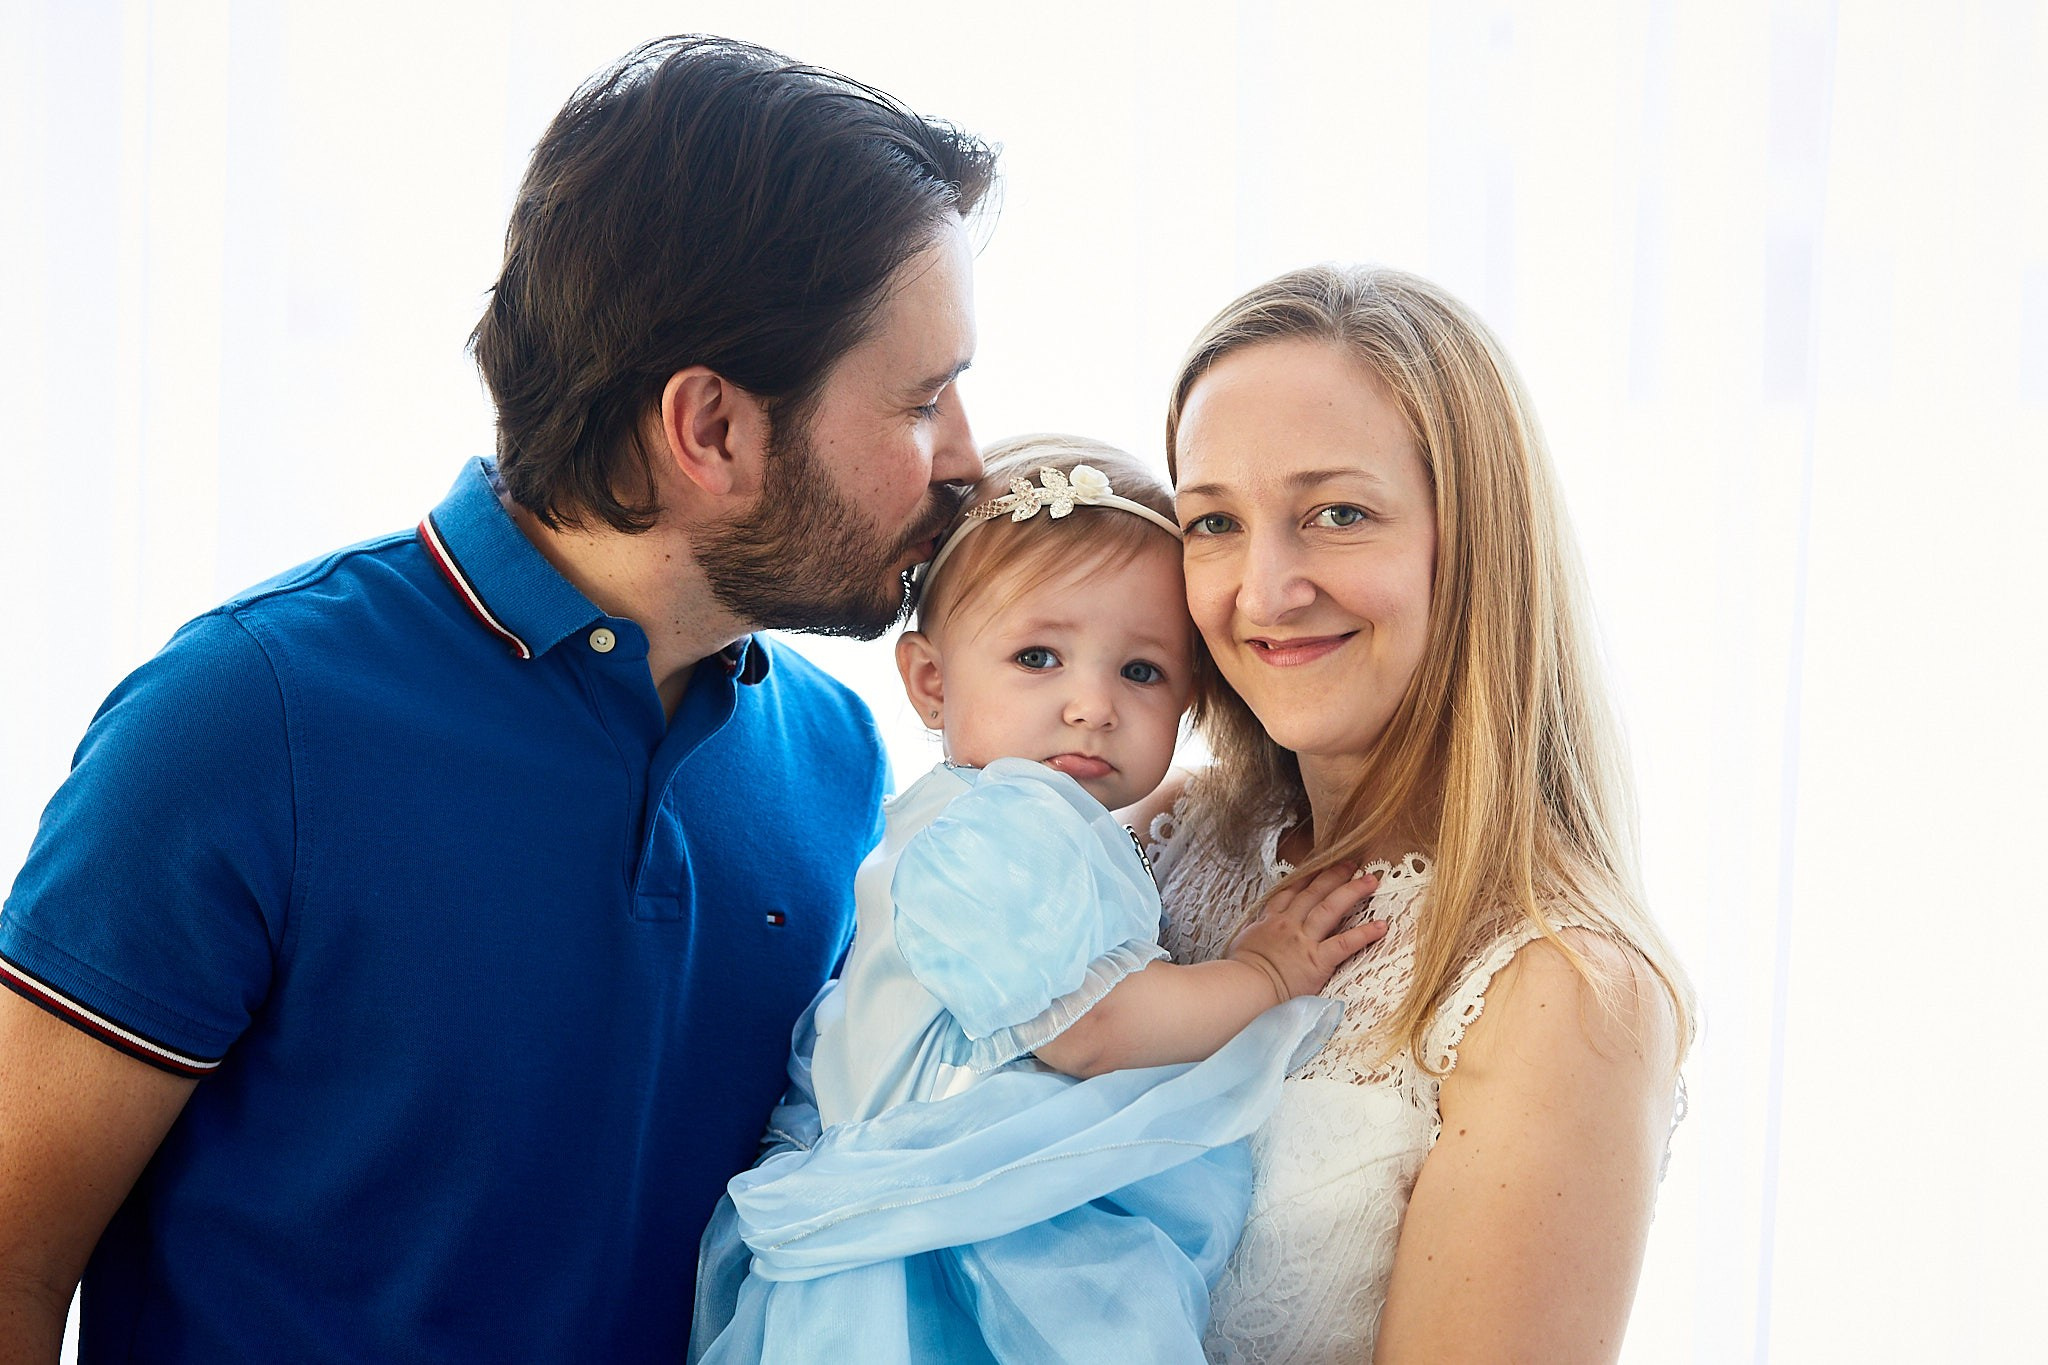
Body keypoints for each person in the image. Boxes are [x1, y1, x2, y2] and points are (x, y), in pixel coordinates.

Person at [0, 36, 995, 1363]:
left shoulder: (839, 757)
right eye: (923, 401)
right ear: (709, 427)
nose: (969, 458)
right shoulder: (245, 721)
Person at [689, 436, 1386, 1363]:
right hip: (955, 1238)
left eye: (1141, 671)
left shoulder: (1015, 815)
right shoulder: (1000, 827)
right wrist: (1263, 973)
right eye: (1038, 656)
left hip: (942, 1204)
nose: (1093, 705)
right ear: (931, 681)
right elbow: (1093, 1030)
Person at [1123, 264, 1698, 1363]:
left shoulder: (1562, 990)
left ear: (1473, 542)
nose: (1264, 590)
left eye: (1337, 514)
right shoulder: (1161, 838)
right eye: (1213, 522)